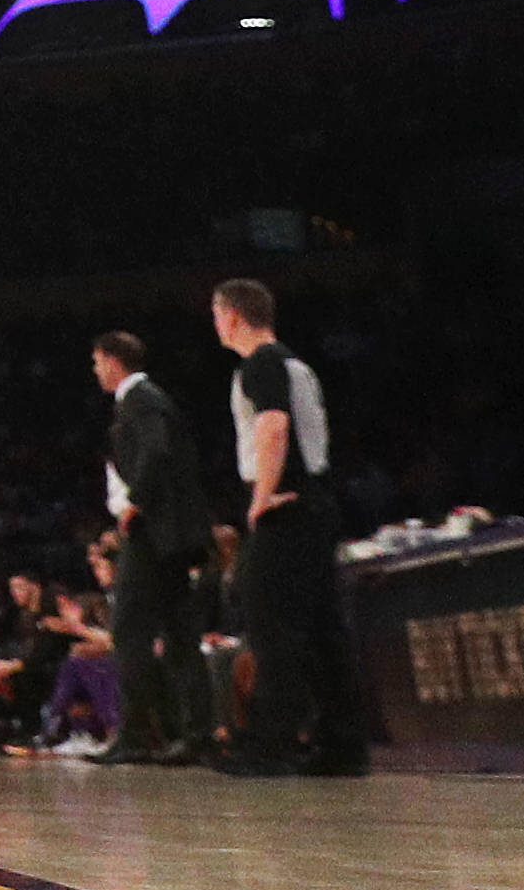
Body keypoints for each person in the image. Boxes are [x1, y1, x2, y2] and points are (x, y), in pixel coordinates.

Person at [207, 279, 367, 775]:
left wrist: (260, 499)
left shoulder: (260, 364)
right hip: (317, 500)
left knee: (271, 624)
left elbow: (273, 426)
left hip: (287, 504)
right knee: (324, 630)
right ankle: (341, 747)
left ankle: (269, 747)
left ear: (231, 316)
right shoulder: (297, 364)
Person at [89, 329, 212, 763]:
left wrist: (135, 502)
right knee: (179, 635)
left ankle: (137, 733)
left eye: (97, 361)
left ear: (113, 360)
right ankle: (196, 734)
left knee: (128, 628)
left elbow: (156, 452)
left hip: (153, 535)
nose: (95, 370)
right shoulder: (148, 400)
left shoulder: (141, 399)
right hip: (170, 537)